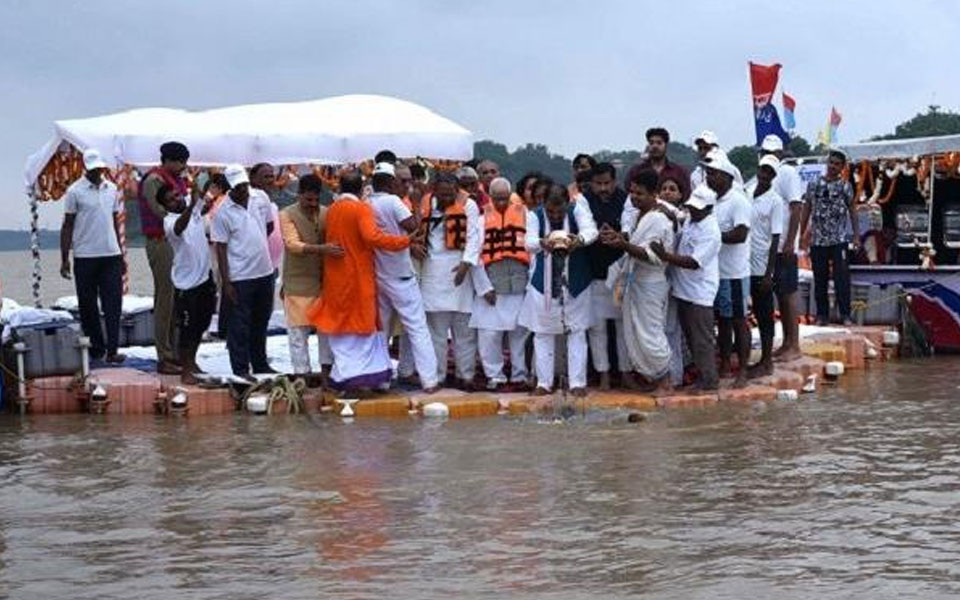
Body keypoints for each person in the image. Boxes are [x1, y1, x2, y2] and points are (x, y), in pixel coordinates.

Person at [308, 171, 412, 391]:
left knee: (341, 329)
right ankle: (357, 379)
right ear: (361, 187)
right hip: (356, 278)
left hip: (335, 279)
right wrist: (404, 241)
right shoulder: (361, 208)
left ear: (339, 187)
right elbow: (372, 237)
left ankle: (343, 377)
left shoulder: (333, 209)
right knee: (361, 330)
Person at [518, 184, 598, 397]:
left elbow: (591, 231)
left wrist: (578, 240)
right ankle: (543, 383)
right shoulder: (534, 215)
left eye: (559, 210)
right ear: (543, 203)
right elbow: (528, 243)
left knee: (577, 332)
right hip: (542, 284)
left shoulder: (577, 209)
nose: (555, 215)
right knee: (542, 333)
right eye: (551, 210)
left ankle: (577, 383)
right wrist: (543, 243)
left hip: (576, 281)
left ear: (567, 204)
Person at [368, 162, 440, 392]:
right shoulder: (393, 201)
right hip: (400, 276)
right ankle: (430, 381)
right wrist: (418, 203)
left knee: (383, 330)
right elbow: (415, 228)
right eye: (403, 181)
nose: (407, 185)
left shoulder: (366, 203)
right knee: (417, 327)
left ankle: (381, 380)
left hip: (379, 274)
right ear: (391, 182)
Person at [601, 169, 675, 392]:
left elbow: (654, 256)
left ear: (654, 194)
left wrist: (622, 245)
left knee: (651, 332)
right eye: (632, 192)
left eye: (640, 194)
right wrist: (618, 239)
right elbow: (634, 244)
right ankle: (654, 378)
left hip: (651, 283)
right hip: (635, 282)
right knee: (637, 331)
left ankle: (666, 380)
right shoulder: (636, 216)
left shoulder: (658, 220)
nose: (634, 197)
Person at [650, 185, 721, 392]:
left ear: (709, 208)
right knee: (691, 338)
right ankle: (703, 377)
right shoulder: (692, 218)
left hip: (700, 293)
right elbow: (680, 227)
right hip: (684, 289)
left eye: (698, 208)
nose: (694, 211)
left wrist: (664, 256)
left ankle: (709, 381)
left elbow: (694, 262)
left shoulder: (711, 230)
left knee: (702, 340)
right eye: (692, 207)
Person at [59, 149, 126, 364]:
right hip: (85, 255)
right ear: (86, 168)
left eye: (100, 168)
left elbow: (114, 221)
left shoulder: (112, 189)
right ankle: (97, 348)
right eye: (93, 169)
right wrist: (64, 258)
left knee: (113, 304)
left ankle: (113, 349)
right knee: (88, 306)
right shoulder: (74, 192)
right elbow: (67, 225)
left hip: (110, 254)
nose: (98, 172)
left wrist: (121, 253)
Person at [211, 165, 276, 381]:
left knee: (261, 320)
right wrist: (226, 282)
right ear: (229, 187)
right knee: (240, 324)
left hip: (264, 271)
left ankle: (260, 363)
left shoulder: (261, 198)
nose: (243, 190)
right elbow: (220, 247)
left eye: (245, 185)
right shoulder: (222, 212)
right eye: (238, 187)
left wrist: (256, 248)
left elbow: (268, 227)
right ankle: (240, 368)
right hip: (240, 276)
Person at [419, 172, 481, 389]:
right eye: (442, 194)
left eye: (450, 194)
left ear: (457, 190)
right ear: (434, 190)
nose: (446, 198)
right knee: (436, 330)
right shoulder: (425, 203)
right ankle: (438, 376)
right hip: (432, 271)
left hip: (459, 267)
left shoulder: (469, 205)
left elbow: (475, 237)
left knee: (464, 329)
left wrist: (466, 263)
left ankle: (466, 376)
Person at [279, 174, 342, 378]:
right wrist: (322, 249)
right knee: (298, 332)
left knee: (326, 332)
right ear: (299, 195)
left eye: (316, 200)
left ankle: (326, 375)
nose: (312, 204)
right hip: (297, 281)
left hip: (325, 282)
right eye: (308, 200)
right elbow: (292, 244)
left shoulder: (327, 213)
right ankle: (302, 376)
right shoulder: (286, 214)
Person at [471, 177, 530, 391]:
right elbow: (474, 255)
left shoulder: (525, 215)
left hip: (519, 281)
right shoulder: (480, 219)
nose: (502, 203)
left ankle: (519, 374)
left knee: (519, 333)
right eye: (497, 199)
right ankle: (494, 375)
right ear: (489, 195)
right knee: (489, 334)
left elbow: (532, 250)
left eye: (505, 198)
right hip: (492, 281)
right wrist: (483, 287)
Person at [137, 141, 190, 374]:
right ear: (168, 160)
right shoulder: (153, 181)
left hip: (178, 242)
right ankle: (163, 355)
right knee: (165, 298)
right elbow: (161, 212)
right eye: (180, 162)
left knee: (178, 298)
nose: (183, 166)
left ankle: (174, 350)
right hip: (161, 241)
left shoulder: (178, 180)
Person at [158, 183, 216, 384]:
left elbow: (204, 196)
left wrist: (206, 185)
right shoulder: (169, 221)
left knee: (202, 324)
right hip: (186, 284)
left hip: (205, 278)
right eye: (172, 199)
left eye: (177, 195)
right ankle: (185, 370)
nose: (177, 199)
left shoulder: (195, 210)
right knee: (187, 328)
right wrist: (192, 206)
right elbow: (179, 228)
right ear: (165, 206)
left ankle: (192, 361)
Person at [705, 149, 752, 388]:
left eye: (712, 174)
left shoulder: (738, 201)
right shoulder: (710, 200)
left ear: (726, 176)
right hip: (715, 273)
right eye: (707, 173)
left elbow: (740, 234)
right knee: (722, 321)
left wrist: (713, 237)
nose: (708, 178)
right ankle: (724, 363)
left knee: (737, 320)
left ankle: (742, 370)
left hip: (734, 273)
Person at [584, 162, 634, 389]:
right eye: (598, 184)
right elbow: (584, 226)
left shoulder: (626, 199)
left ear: (614, 181)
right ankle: (603, 373)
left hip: (621, 272)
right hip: (594, 272)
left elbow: (629, 226)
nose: (603, 188)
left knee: (623, 327)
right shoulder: (584, 200)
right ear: (591, 183)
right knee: (598, 328)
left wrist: (619, 235)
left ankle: (625, 373)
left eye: (607, 183)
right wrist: (595, 233)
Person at [760, 135, 807, 360]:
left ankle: (794, 345)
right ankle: (787, 342)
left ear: (780, 153)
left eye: (772, 152)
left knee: (788, 295)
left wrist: (790, 242)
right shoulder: (766, 176)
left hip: (784, 247)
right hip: (771, 247)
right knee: (780, 294)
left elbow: (796, 207)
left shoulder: (787, 172)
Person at [801, 149, 859, 325]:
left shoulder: (845, 186)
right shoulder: (814, 184)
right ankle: (822, 315)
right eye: (831, 162)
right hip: (818, 239)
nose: (833, 166)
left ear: (842, 167)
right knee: (820, 278)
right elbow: (807, 208)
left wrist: (856, 235)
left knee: (842, 277)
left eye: (837, 164)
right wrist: (801, 233)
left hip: (839, 239)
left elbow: (852, 210)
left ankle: (846, 315)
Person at [746, 155, 784, 377]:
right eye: (762, 169)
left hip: (762, 265)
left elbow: (776, 238)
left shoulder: (775, 201)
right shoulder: (748, 192)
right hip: (744, 262)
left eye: (769, 171)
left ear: (773, 175)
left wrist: (770, 273)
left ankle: (767, 360)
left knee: (764, 314)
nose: (764, 174)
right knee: (748, 314)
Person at [628, 127, 691, 200]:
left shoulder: (679, 172)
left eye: (659, 143)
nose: (655, 146)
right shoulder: (636, 171)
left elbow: (686, 196)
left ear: (665, 145)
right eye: (651, 143)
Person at [249, 163, 283, 273]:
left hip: (272, 267)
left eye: (272, 176)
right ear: (253, 179)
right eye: (266, 177)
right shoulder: (249, 203)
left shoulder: (272, 205)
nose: (270, 180)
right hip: (255, 268)